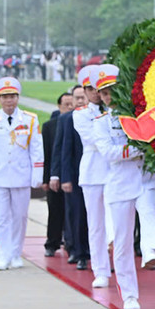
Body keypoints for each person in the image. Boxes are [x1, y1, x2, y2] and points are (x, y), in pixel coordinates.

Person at [91, 65, 155, 309]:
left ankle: (151, 251)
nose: (110, 96)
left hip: (146, 177)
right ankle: (129, 295)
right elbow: (109, 152)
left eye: (113, 90)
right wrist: (137, 150)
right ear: (100, 96)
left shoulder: (142, 114)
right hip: (120, 183)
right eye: (105, 93)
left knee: (149, 213)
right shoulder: (101, 123)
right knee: (121, 243)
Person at [0, 77, 45, 270]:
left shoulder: (29, 119)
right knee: (0, 218)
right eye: (5, 97)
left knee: (20, 216)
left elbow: (36, 148)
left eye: (12, 96)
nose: (9, 101)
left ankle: (16, 253)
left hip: (21, 174)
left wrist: (37, 173)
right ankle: (3, 255)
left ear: (18, 98)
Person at [72, 67, 113, 285]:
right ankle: (101, 270)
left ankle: (118, 263)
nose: (96, 92)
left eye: (100, 88)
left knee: (117, 224)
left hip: (116, 171)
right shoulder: (80, 114)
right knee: (96, 225)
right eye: (90, 88)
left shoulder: (117, 111)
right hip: (93, 172)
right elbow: (93, 140)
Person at [52, 83, 89, 268]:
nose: (81, 100)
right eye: (77, 97)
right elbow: (63, 150)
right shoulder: (67, 119)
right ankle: (78, 252)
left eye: (84, 96)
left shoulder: (98, 116)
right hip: (75, 176)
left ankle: (97, 254)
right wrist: (63, 177)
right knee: (77, 215)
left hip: (97, 175)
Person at [41, 92, 73, 257]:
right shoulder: (49, 126)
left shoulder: (78, 122)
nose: (69, 107)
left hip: (72, 176)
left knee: (73, 212)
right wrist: (46, 178)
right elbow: (47, 154)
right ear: (59, 106)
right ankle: (52, 243)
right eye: (65, 104)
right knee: (55, 210)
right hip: (54, 174)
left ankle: (71, 242)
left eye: (71, 103)